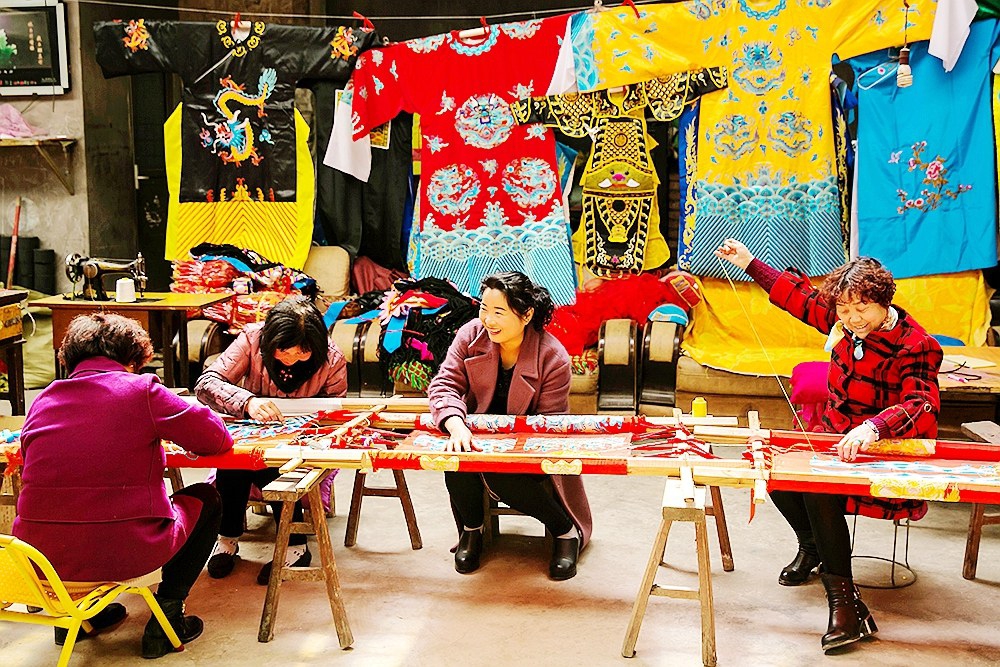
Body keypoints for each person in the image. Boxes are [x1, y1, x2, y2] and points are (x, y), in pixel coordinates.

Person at [715, 238, 942, 653]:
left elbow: (922, 403)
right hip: (836, 436)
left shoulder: (916, 345)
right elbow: (797, 297)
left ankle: (845, 605)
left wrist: (874, 427)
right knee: (777, 471)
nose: (852, 319)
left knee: (818, 488)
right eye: (844, 310)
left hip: (886, 447)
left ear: (884, 301)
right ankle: (813, 546)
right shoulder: (843, 320)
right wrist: (748, 262)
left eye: (862, 309)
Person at [13, 313, 233, 659]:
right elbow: (216, 439)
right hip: (122, 551)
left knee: (72, 508)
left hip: (40, 560)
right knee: (206, 497)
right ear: (132, 359)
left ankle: (78, 621)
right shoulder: (141, 390)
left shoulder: (43, 400)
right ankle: (167, 620)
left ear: (70, 357)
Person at [427, 271, 593, 580]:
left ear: (526, 315)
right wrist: (456, 425)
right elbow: (444, 385)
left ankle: (565, 530)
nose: (488, 320)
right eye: (484, 309)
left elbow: (549, 426)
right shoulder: (470, 335)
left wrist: (504, 447)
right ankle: (472, 530)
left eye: (499, 312)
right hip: (475, 438)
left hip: (529, 448)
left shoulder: (553, 356)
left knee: (498, 471)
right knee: (454, 457)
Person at [195, 296, 347, 584]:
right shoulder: (252, 340)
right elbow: (206, 383)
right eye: (283, 350)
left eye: (302, 352)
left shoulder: (332, 357)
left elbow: (335, 413)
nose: (290, 358)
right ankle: (227, 539)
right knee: (234, 460)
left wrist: (307, 434)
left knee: (275, 465)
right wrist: (247, 401)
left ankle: (295, 546)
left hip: (302, 441)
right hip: (253, 429)